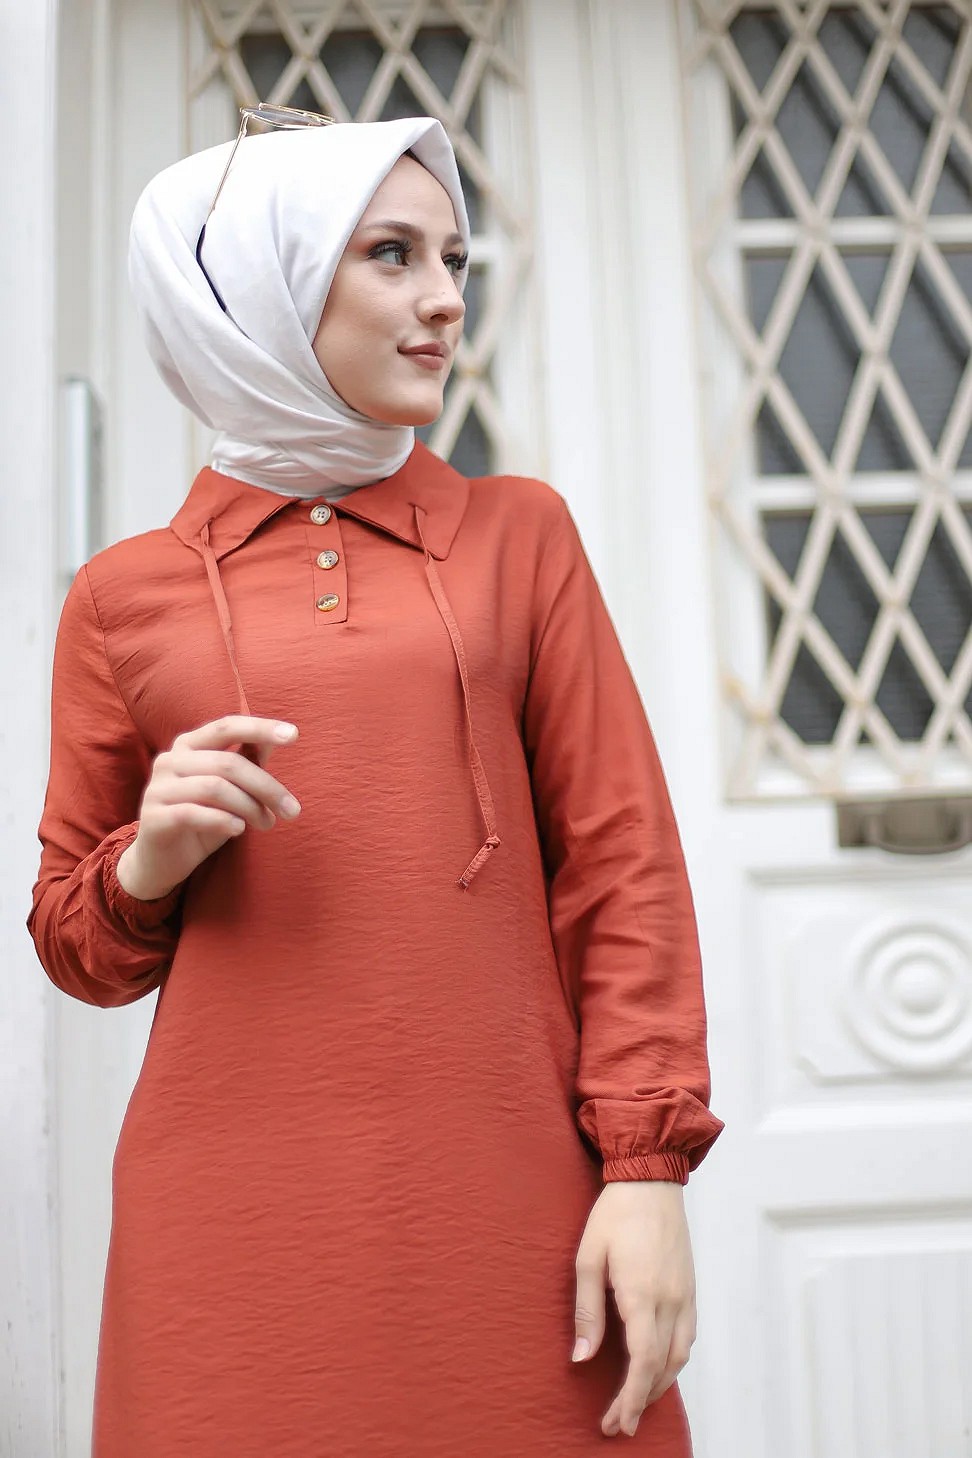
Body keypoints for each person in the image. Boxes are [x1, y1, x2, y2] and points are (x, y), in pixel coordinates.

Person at [27, 111, 724, 1457]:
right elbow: (76, 949)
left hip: (513, 1191)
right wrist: (148, 859)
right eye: (391, 254)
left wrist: (647, 1171)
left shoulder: (520, 536)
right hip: (229, 1216)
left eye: (453, 256)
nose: (446, 296)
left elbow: (622, 865)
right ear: (264, 285)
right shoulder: (124, 597)